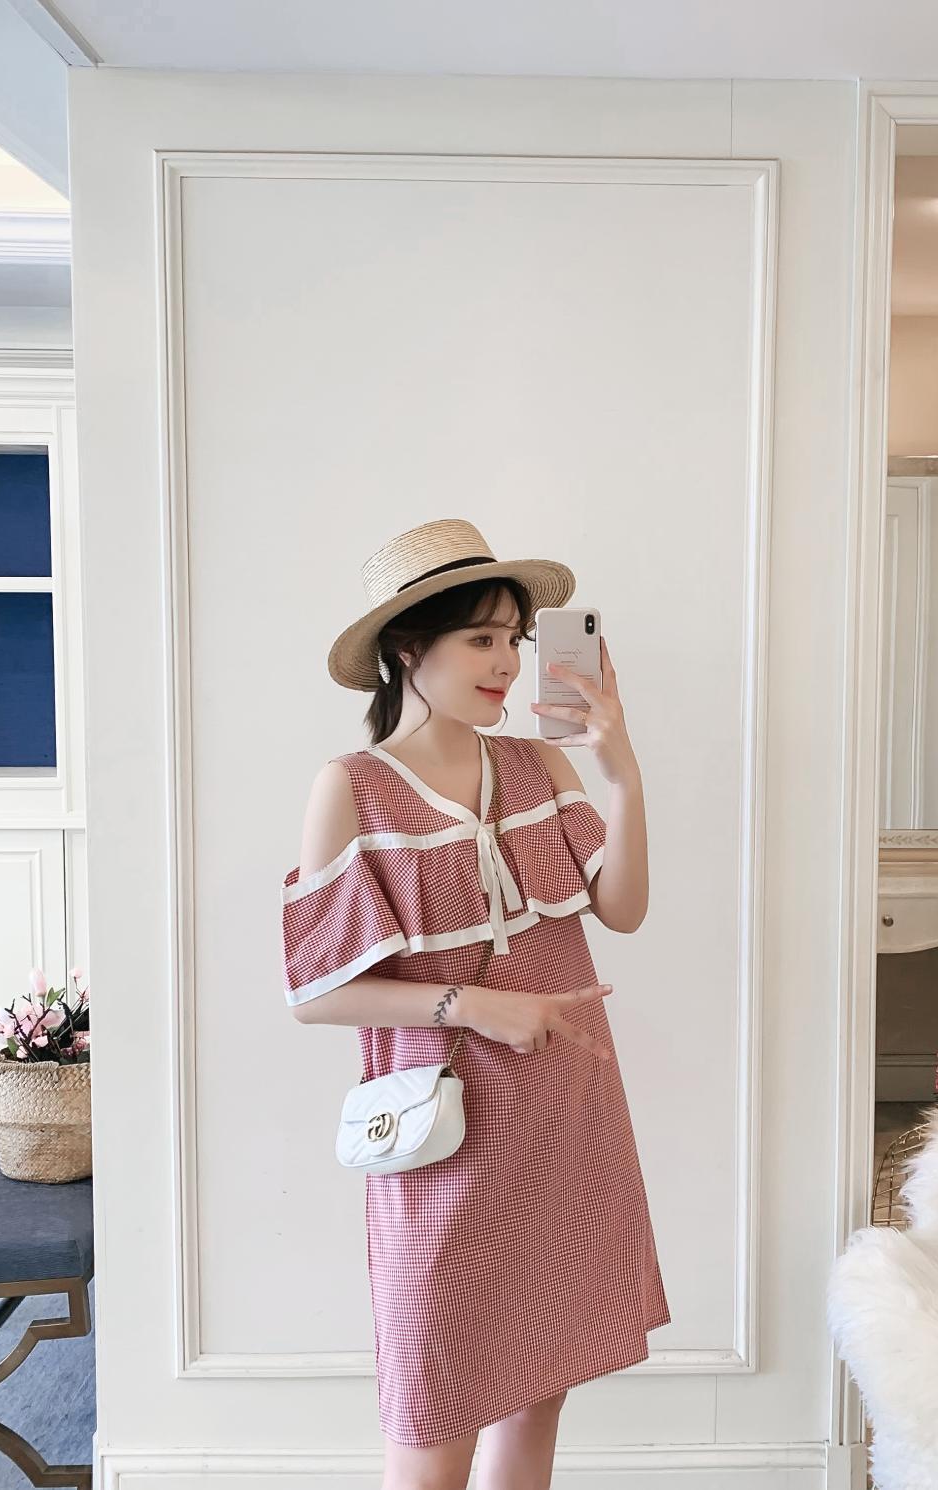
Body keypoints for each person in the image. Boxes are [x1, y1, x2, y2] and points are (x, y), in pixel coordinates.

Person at [280, 518, 670, 1490]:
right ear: (409, 648)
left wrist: (622, 773)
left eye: (515, 638)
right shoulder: (351, 788)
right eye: (481, 638)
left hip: (566, 1119)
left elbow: (622, 909)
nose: (506, 662)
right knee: (435, 1407)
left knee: (538, 1392)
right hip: (445, 1136)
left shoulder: (541, 766)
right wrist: (474, 1006)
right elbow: (317, 994)